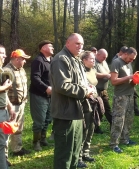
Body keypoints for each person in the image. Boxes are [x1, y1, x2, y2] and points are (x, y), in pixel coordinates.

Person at [50, 33, 95, 169]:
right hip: (65, 113)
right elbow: (62, 85)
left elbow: (80, 81)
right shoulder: (61, 59)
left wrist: (88, 86)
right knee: (64, 153)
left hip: (77, 111)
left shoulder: (75, 59)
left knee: (75, 151)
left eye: (81, 44)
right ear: (67, 43)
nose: (80, 46)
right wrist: (84, 91)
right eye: (77, 43)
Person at [0, 44, 22, 169]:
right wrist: (3, 87)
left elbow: (3, 93)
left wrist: (10, 107)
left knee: (2, 143)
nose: (5, 56)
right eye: (2, 53)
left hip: (3, 111)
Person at [3, 49, 31, 158]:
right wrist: (8, 106)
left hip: (21, 104)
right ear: (17, 59)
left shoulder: (22, 70)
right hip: (11, 106)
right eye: (23, 59)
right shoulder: (6, 71)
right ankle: (3, 156)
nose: (25, 61)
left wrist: (25, 100)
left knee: (18, 128)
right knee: (8, 131)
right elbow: (3, 92)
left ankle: (17, 149)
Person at [109, 47, 138, 153]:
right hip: (121, 96)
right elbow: (114, 81)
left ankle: (125, 139)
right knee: (118, 120)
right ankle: (113, 143)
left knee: (129, 119)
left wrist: (135, 80)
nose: (131, 61)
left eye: (133, 59)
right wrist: (130, 76)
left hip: (130, 94)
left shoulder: (128, 63)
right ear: (125, 54)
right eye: (130, 58)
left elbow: (129, 79)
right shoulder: (117, 62)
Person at [29, 40, 54, 151]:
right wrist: (46, 88)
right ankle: (36, 142)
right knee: (39, 120)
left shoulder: (52, 61)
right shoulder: (38, 61)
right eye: (50, 46)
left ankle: (43, 139)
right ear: (42, 48)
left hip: (51, 95)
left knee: (48, 118)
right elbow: (35, 78)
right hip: (39, 94)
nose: (53, 48)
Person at [78, 51, 99, 168]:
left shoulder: (92, 70)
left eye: (94, 59)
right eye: (91, 59)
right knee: (84, 129)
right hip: (84, 103)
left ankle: (86, 152)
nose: (94, 61)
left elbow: (94, 84)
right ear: (84, 60)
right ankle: (79, 156)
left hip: (93, 103)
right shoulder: (81, 71)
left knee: (91, 128)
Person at [94, 49, 112, 133]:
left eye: (106, 57)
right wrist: (106, 75)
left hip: (104, 90)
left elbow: (108, 71)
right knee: (98, 109)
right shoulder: (93, 62)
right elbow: (94, 74)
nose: (105, 59)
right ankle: (96, 127)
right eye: (103, 57)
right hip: (96, 90)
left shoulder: (104, 62)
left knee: (107, 108)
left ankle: (113, 124)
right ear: (98, 55)